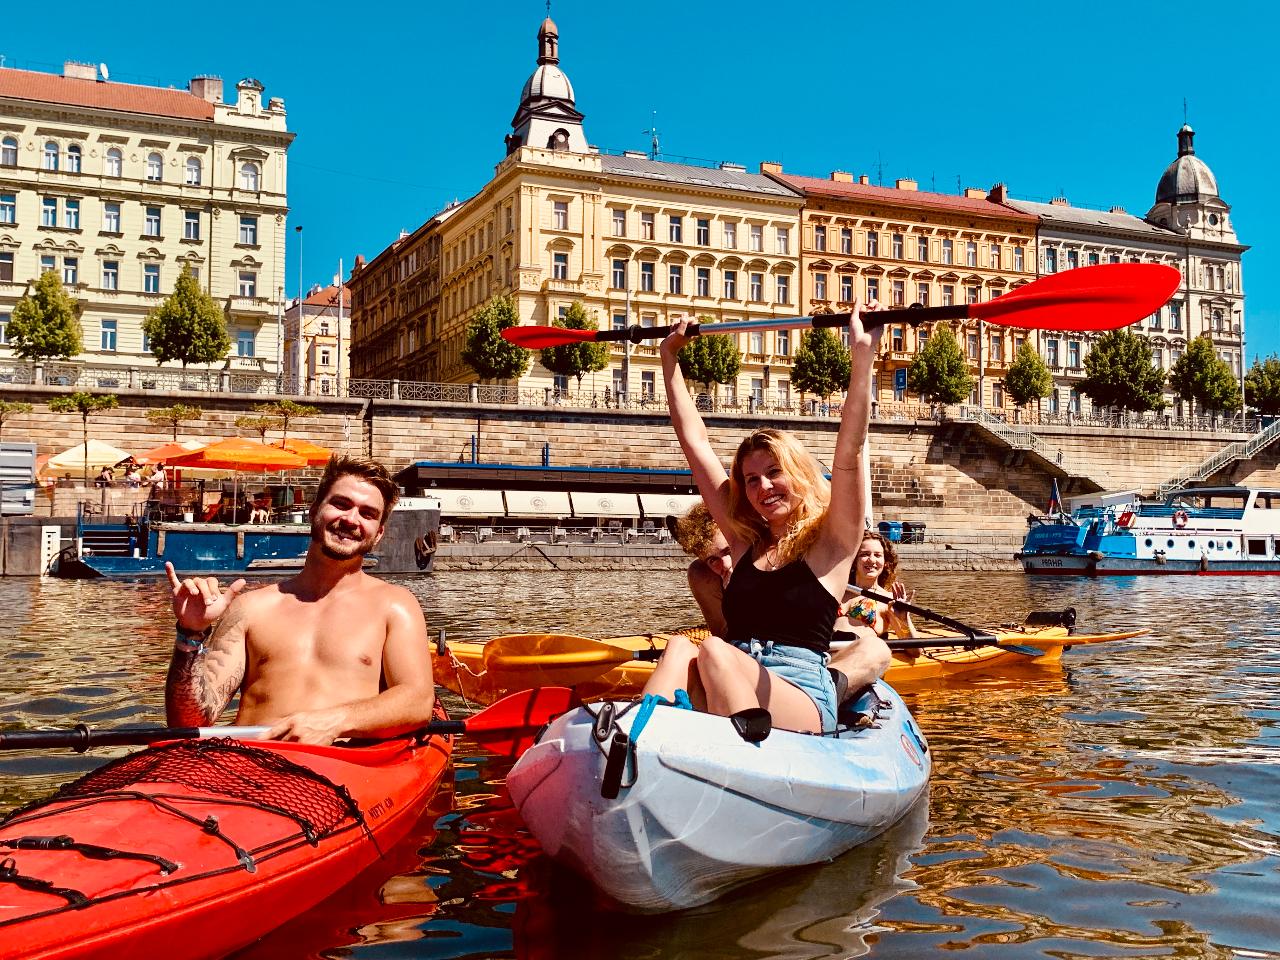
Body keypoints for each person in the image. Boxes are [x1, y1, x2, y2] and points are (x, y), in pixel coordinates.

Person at [641, 303, 880, 734]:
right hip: (734, 672)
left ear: (799, 475)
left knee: (713, 651)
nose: (762, 487)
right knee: (679, 648)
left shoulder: (834, 542)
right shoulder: (744, 541)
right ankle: (636, 738)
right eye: (751, 480)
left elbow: (851, 449)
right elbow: (693, 441)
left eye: (773, 473)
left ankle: (738, 752)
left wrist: (862, 358)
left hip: (801, 692)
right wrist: (669, 359)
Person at [165, 454, 435, 745]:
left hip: (342, 769)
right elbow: (189, 723)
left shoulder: (395, 606)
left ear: (378, 533)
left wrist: (334, 722)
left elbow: (417, 702)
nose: (351, 519)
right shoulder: (251, 608)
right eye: (340, 504)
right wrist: (190, 635)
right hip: (244, 764)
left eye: (367, 513)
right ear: (314, 509)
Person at [827, 531, 914, 700]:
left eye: (877, 555)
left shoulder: (887, 600)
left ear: (885, 562)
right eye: (865, 554)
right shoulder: (834, 590)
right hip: (823, 650)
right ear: (854, 560)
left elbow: (914, 650)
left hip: (855, 656)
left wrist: (904, 618)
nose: (872, 560)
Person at [672, 502, 734, 638]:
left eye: (729, 550)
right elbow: (723, 636)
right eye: (713, 560)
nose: (726, 564)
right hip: (735, 648)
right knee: (677, 644)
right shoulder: (702, 574)